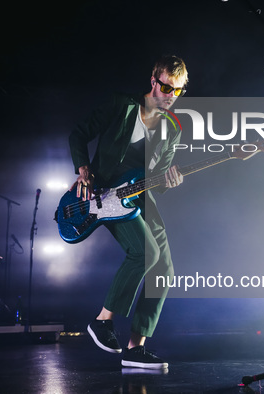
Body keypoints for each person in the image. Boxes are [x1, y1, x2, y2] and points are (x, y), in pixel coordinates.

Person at [68, 55, 188, 369]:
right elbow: (78, 133)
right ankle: (102, 321)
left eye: (177, 91)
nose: (170, 96)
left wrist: (170, 179)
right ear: (153, 80)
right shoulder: (121, 105)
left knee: (165, 268)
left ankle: (135, 349)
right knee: (146, 253)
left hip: (138, 194)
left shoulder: (172, 129)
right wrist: (83, 169)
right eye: (165, 87)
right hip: (103, 193)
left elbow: (158, 182)